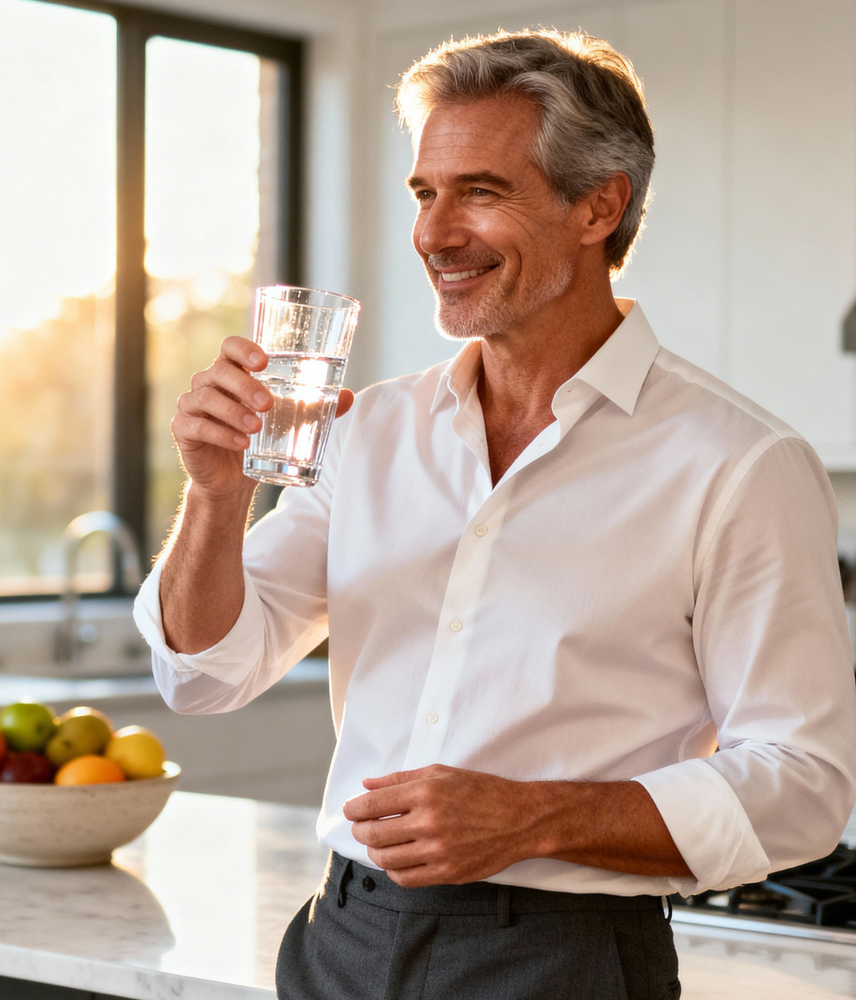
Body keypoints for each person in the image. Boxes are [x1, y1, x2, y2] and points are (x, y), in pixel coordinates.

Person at [133, 28, 856, 1000]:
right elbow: (207, 675)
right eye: (425, 194)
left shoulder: (738, 463)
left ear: (599, 204)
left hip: (562, 956)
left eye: (481, 190)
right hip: (340, 938)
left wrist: (535, 815)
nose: (435, 233)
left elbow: (805, 786)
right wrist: (216, 496)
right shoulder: (369, 431)